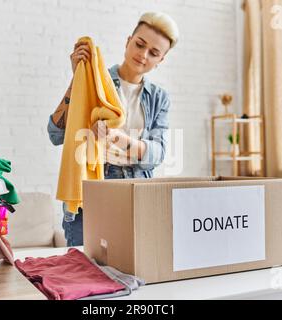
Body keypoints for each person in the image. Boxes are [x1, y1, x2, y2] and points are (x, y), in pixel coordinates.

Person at [48, 12, 179, 246]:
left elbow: (158, 153)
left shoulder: (160, 98)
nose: (143, 54)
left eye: (154, 53)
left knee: (137, 266)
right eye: (139, 44)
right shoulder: (96, 81)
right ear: (128, 41)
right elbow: (56, 134)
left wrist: (119, 139)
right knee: (83, 270)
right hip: (92, 185)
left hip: (137, 188)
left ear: (161, 60)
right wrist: (78, 79)